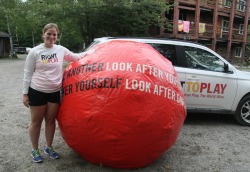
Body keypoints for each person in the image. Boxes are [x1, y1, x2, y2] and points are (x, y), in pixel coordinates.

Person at [22, 23, 85, 163]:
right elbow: (27, 73)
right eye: (49, 34)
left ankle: (48, 147)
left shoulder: (60, 50)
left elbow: (76, 57)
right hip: (37, 90)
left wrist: (95, 51)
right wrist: (25, 94)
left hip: (55, 91)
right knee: (36, 122)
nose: (51, 37)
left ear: (57, 36)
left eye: (54, 34)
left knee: (50, 121)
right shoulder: (35, 52)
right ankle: (35, 149)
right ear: (43, 34)